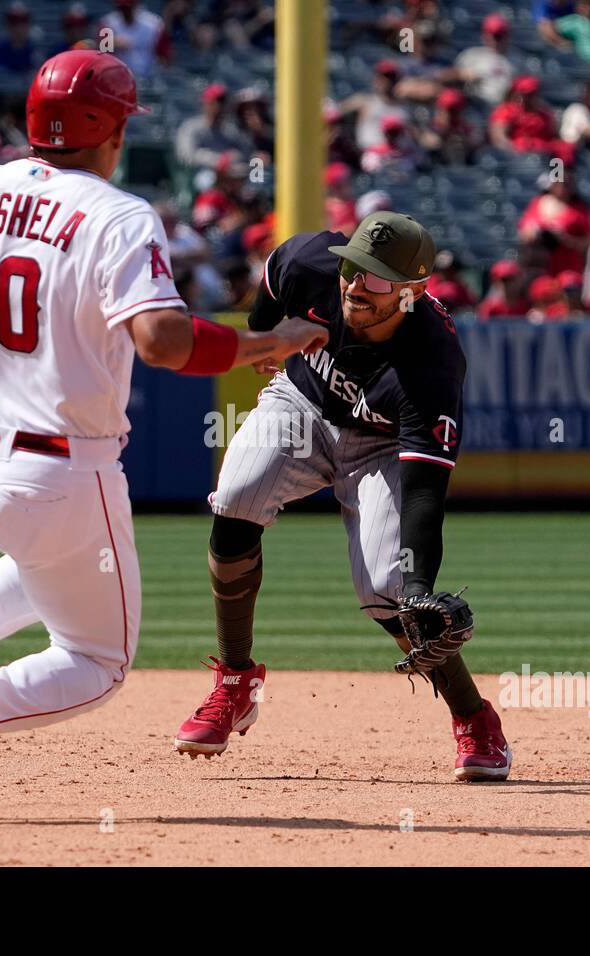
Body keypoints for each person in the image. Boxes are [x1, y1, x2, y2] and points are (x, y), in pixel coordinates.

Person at [0, 51, 326, 822]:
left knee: (43, 570)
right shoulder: (117, 213)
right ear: (110, 129)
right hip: (57, 467)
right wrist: (266, 345)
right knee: (97, 660)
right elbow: (164, 341)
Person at [171, 210, 511, 784]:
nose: (356, 284)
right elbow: (275, 277)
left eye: (377, 279)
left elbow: (426, 493)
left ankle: (475, 719)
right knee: (236, 496)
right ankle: (236, 681)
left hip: (381, 445)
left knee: (390, 589)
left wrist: (421, 587)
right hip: (301, 404)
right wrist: (261, 337)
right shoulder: (310, 263)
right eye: (353, 268)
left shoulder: (431, 362)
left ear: (413, 292)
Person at [174, 83, 247, 172]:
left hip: (228, 176)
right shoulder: (190, 128)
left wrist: (233, 156)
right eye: (216, 102)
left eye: (223, 102)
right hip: (197, 177)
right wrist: (216, 160)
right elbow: (186, 156)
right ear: (205, 104)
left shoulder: (231, 130)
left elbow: (244, 152)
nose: (219, 107)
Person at [452, 13, 515, 107]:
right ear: (484, 35)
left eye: (498, 36)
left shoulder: (517, 60)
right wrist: (462, 75)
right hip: (474, 105)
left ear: (506, 36)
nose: (494, 40)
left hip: (504, 108)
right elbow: (451, 79)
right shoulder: (471, 55)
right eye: (490, 34)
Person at [98, 0, 168, 77]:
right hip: (119, 78)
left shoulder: (154, 24)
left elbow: (165, 55)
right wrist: (111, 44)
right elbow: (102, 54)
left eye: (128, 7)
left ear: (136, 4)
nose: (125, 11)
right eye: (122, 7)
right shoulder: (108, 23)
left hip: (149, 77)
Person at [0, 2, 36, 73]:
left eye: (24, 20)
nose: (19, 27)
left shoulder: (35, 51)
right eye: (13, 21)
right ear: (7, 24)